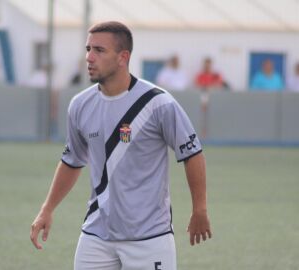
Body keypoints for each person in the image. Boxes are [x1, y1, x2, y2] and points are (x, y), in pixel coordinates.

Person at [30, 21, 211, 270]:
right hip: (96, 236)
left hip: (150, 238)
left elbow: (192, 154)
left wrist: (199, 210)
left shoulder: (159, 104)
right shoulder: (80, 105)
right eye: (88, 49)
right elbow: (72, 161)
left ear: (123, 57)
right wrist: (47, 209)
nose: (89, 57)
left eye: (99, 50)